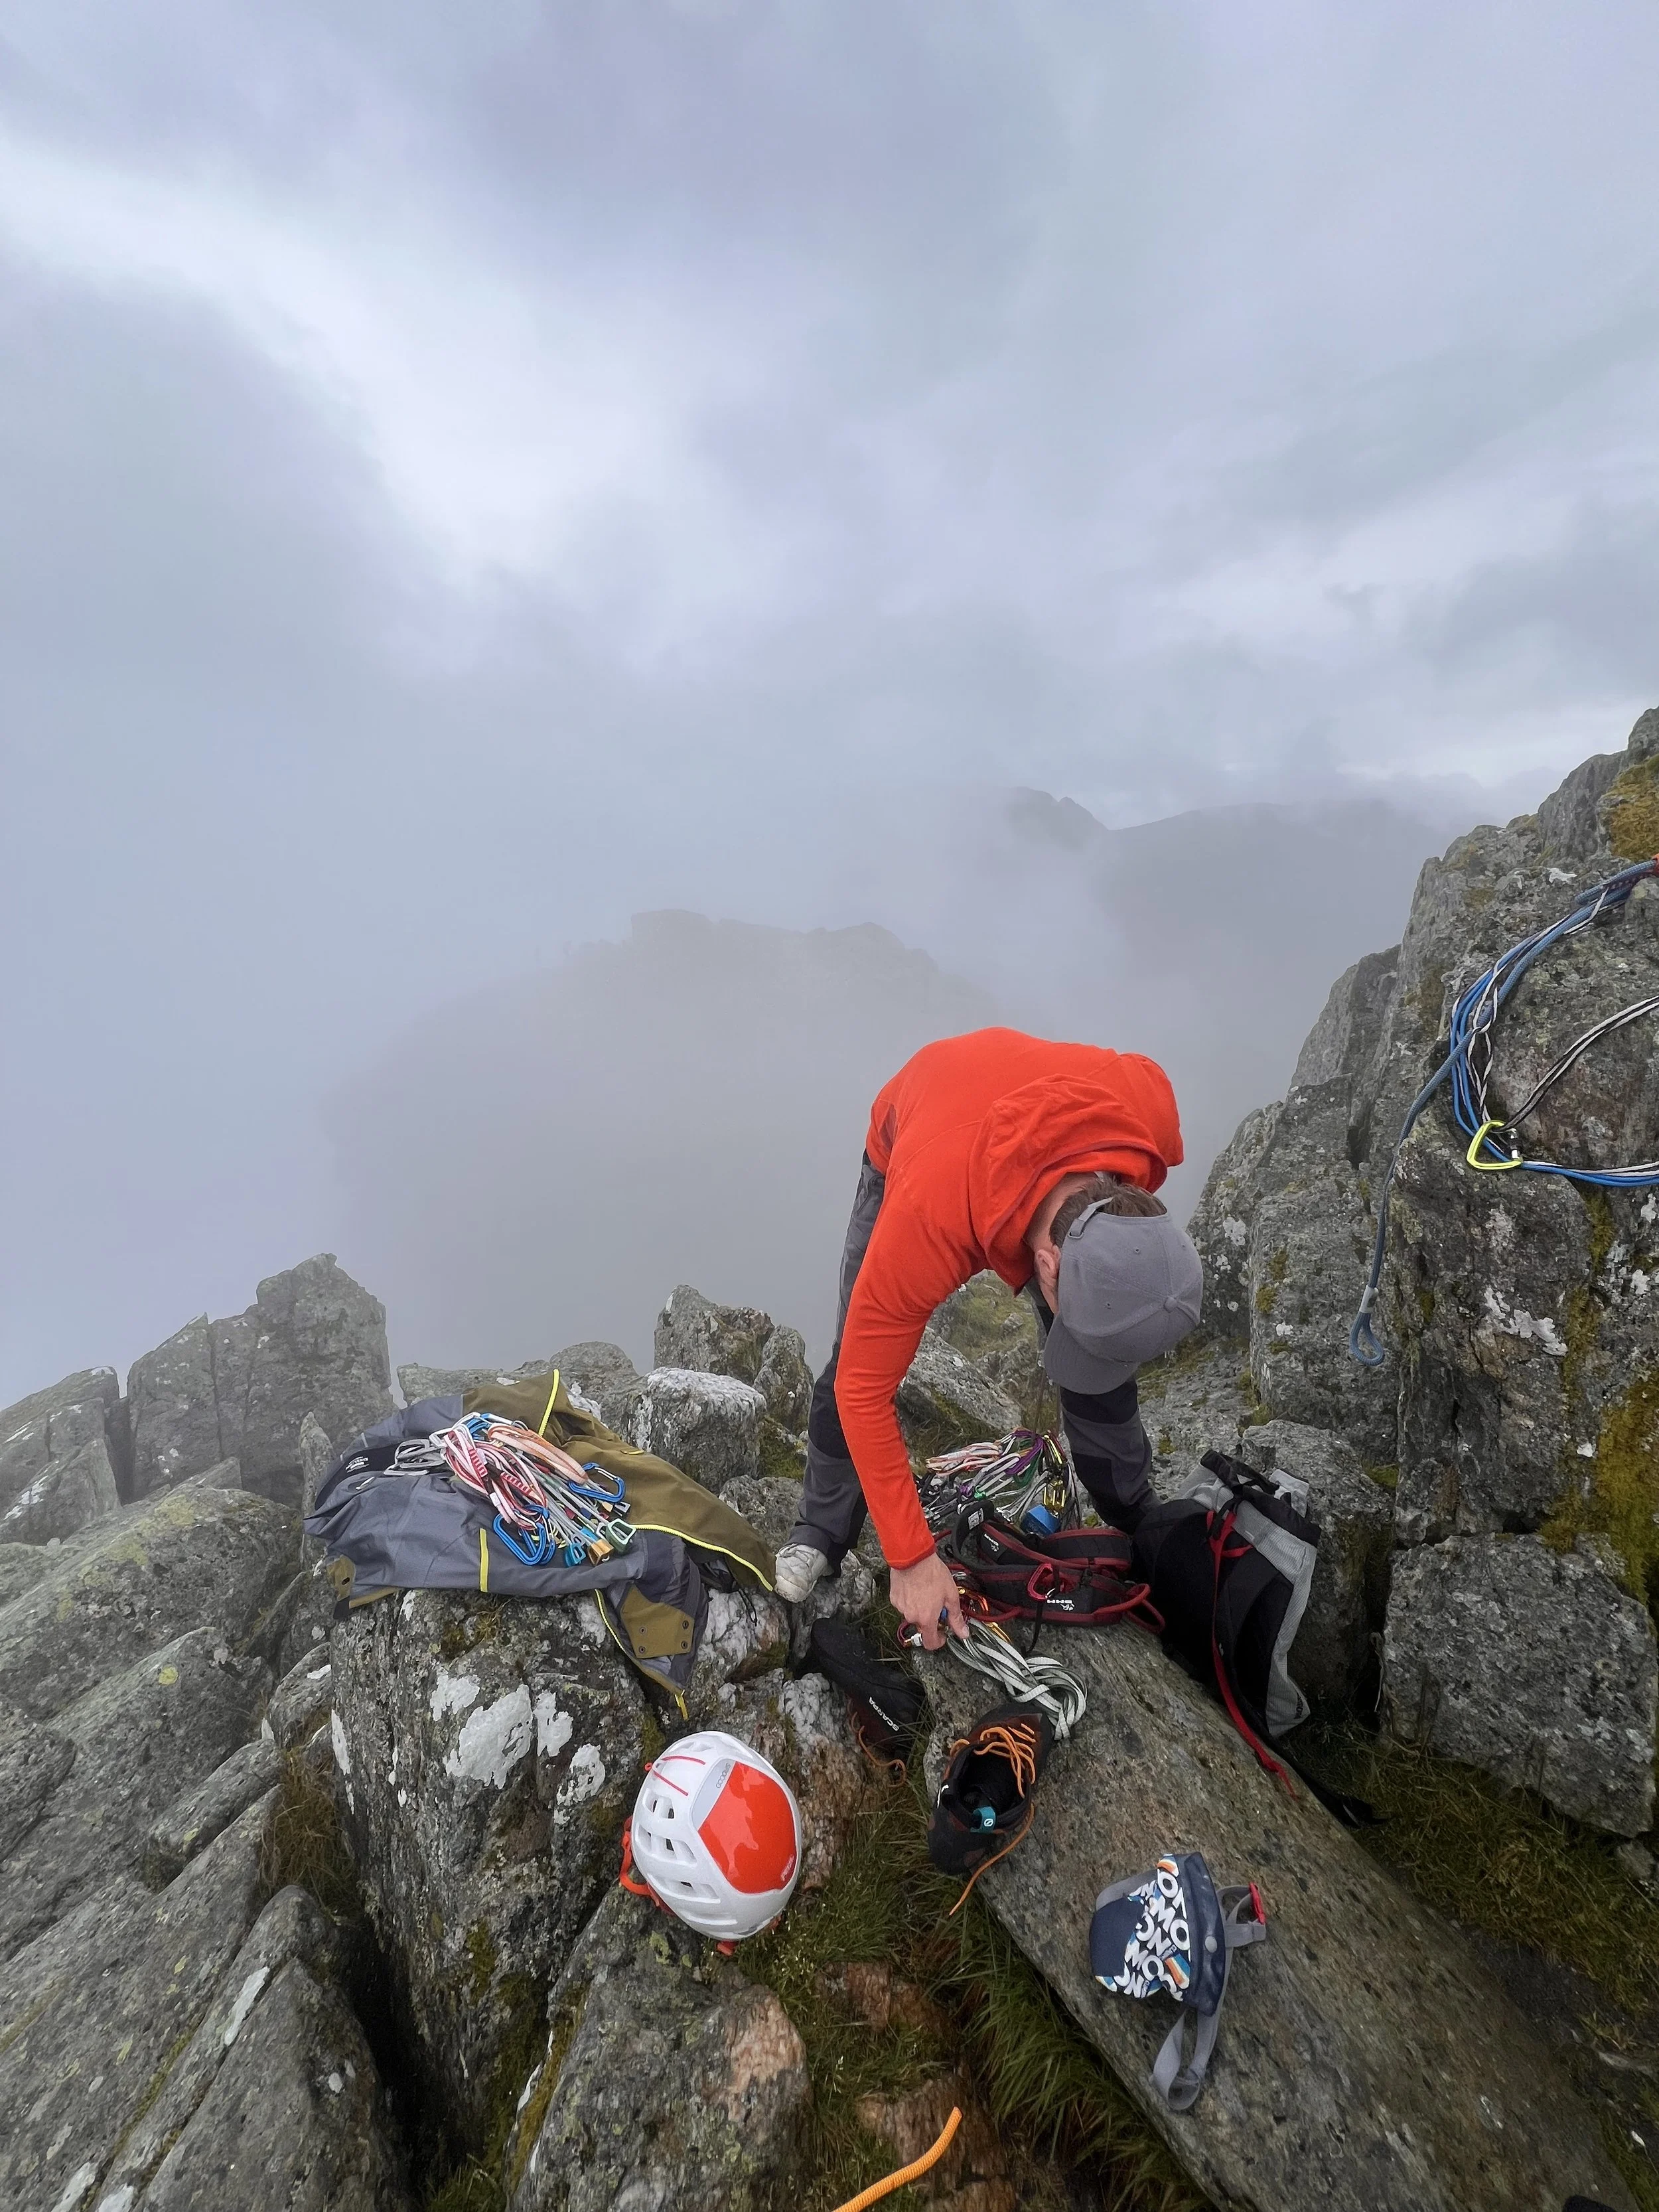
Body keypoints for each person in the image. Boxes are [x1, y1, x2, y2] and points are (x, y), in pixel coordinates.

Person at [774, 1027, 1204, 1649]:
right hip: (918, 1132)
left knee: (1101, 1342)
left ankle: (1134, 1511)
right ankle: (820, 1529)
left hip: (1009, 1121)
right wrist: (911, 1559)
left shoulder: (1143, 1113)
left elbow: (1147, 1074)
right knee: (854, 1354)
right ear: (1046, 1266)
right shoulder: (925, 1220)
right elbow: (861, 1388)